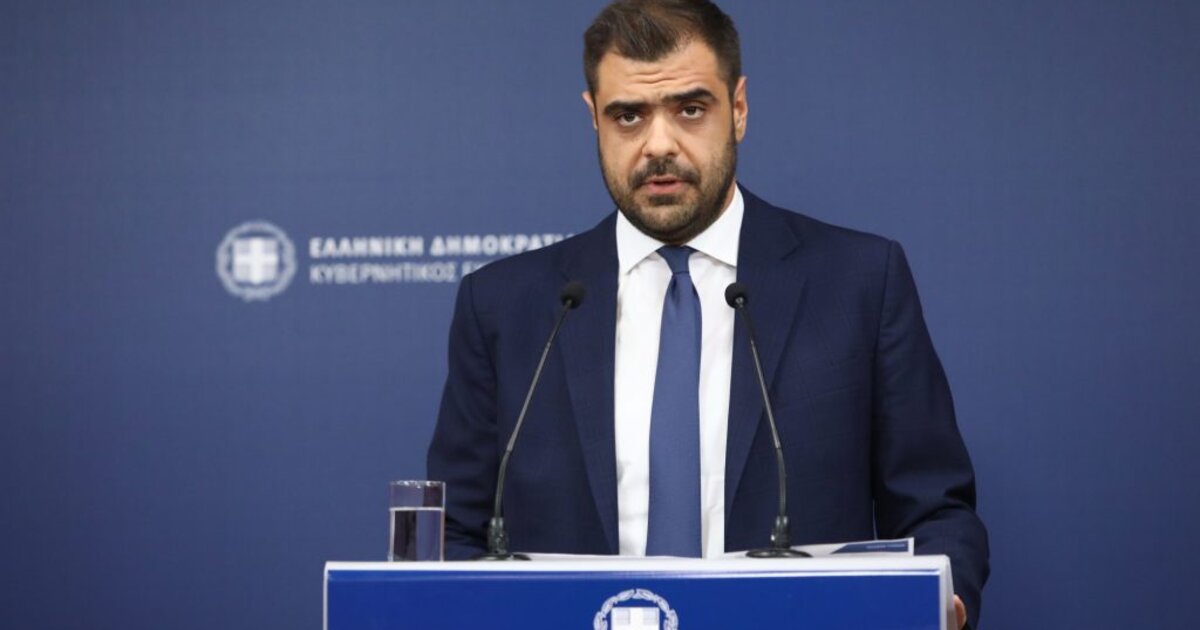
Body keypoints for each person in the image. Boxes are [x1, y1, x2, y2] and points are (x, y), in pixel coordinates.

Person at [427, 1, 989, 627]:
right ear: (593, 118)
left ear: (738, 109)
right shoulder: (507, 306)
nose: (659, 145)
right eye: (628, 116)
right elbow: (455, 531)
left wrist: (945, 600)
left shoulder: (859, 281)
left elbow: (935, 509)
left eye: (690, 109)